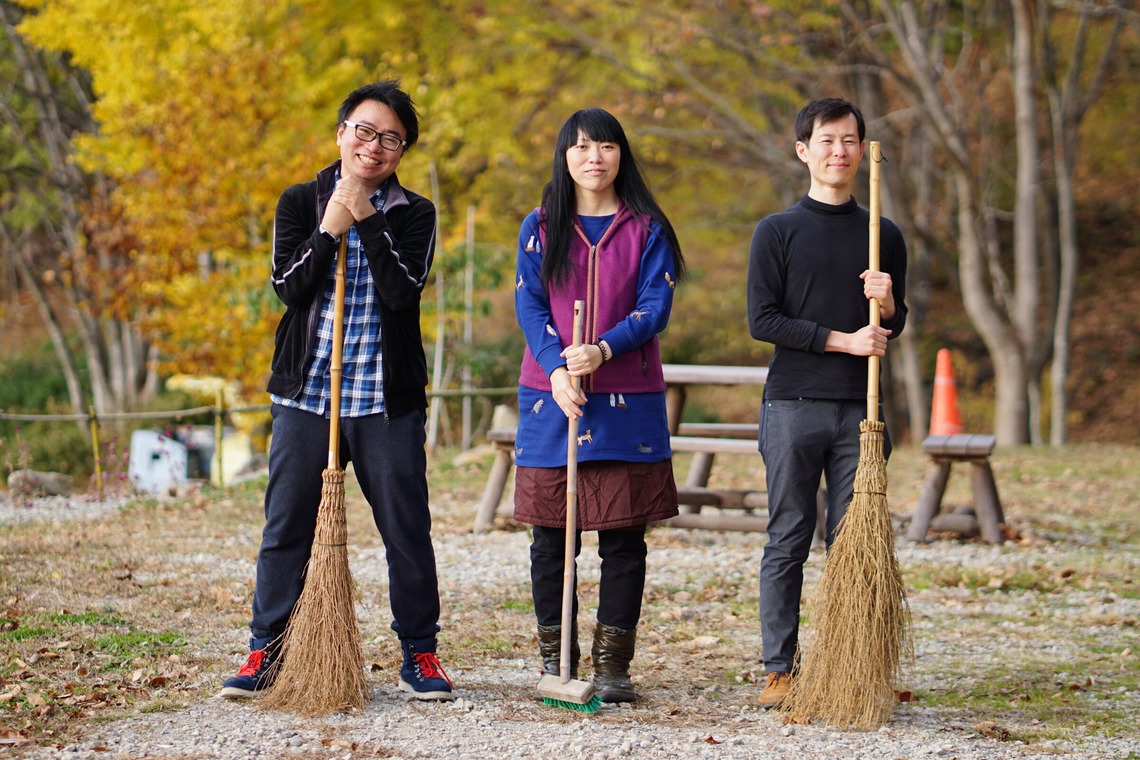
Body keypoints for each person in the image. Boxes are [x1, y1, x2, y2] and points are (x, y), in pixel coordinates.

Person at [221, 80, 453, 702]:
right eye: (365, 131)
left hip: (384, 400)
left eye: (392, 139)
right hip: (307, 396)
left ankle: (421, 654)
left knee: (406, 527)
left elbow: (403, 292)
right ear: (342, 131)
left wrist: (369, 218)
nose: (375, 147)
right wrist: (329, 226)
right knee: (286, 526)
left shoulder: (417, 213)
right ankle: (264, 651)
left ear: (401, 151)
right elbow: (290, 289)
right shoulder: (298, 200)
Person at [513, 108, 685, 703]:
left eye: (607, 146)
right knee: (549, 537)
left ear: (621, 156)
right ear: (564, 158)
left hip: (625, 394)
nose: (595, 157)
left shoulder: (647, 227)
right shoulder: (540, 226)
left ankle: (613, 666)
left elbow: (653, 307)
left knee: (623, 537)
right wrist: (559, 366)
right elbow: (531, 306)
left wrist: (604, 348)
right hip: (549, 396)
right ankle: (555, 659)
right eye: (582, 147)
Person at [746, 97, 908, 709]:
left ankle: (856, 666)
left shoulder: (882, 234)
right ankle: (779, 669)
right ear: (803, 150)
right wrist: (844, 339)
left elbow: (898, 323)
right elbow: (763, 319)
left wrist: (887, 304)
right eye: (827, 140)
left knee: (856, 542)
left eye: (849, 141)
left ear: (863, 151)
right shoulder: (777, 231)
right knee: (789, 534)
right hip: (793, 404)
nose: (839, 151)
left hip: (861, 413)